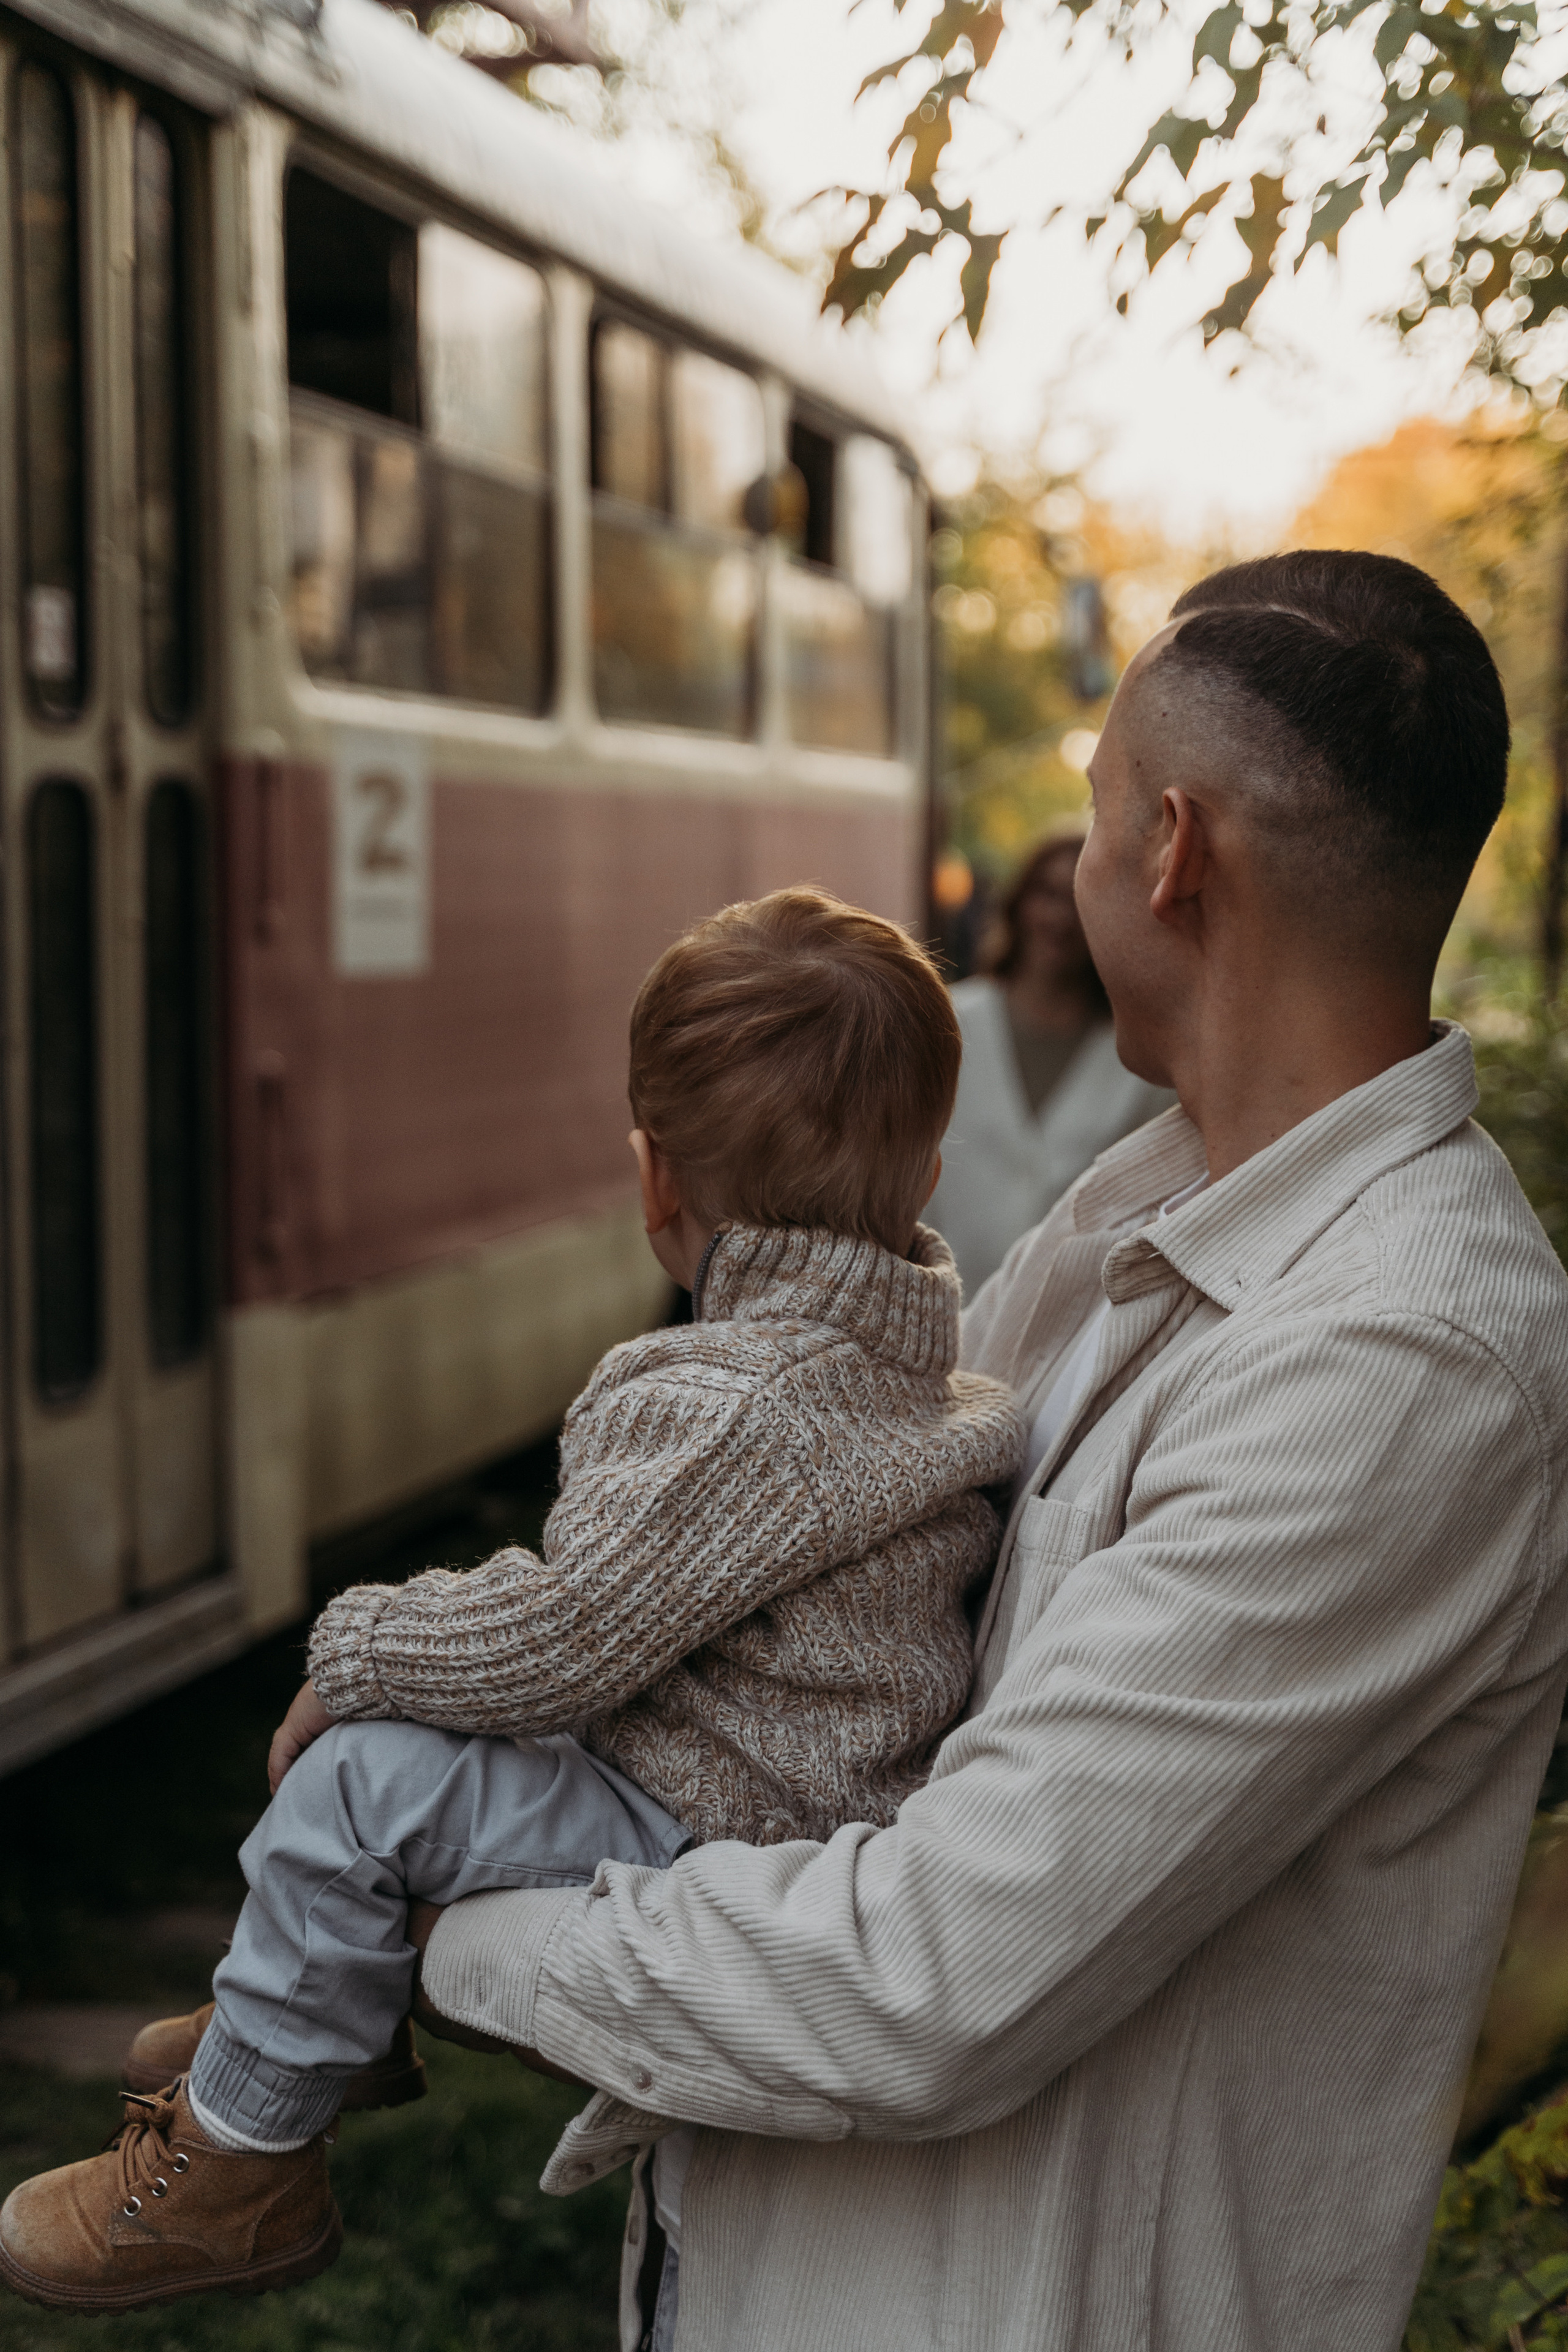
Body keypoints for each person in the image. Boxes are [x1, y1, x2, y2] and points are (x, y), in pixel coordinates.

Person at [390, 552, 1563, 2352]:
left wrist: (441, 1921)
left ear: (1168, 850)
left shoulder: (1398, 1354)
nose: (1076, 863)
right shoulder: (1136, 1217)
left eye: (1091, 812)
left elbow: (930, 1973)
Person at [0, 889, 1023, 2316]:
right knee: (422, 1743)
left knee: (360, 1781)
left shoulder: (728, 1403)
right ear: (924, 1171)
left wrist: (352, 1649)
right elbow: (604, 1610)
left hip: (716, 1827)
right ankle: (315, 2017)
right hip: (794, 1804)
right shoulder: (907, 1380)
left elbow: (559, 1642)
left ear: (653, 1179)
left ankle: (240, 2164)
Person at [928, 829, 1174, 1295]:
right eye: (1047, 894)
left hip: (1073, 1309)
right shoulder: (947, 1022)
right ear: (1019, 903)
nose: (1060, 917)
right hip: (942, 1303)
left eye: (1078, 900)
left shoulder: (1141, 1058)